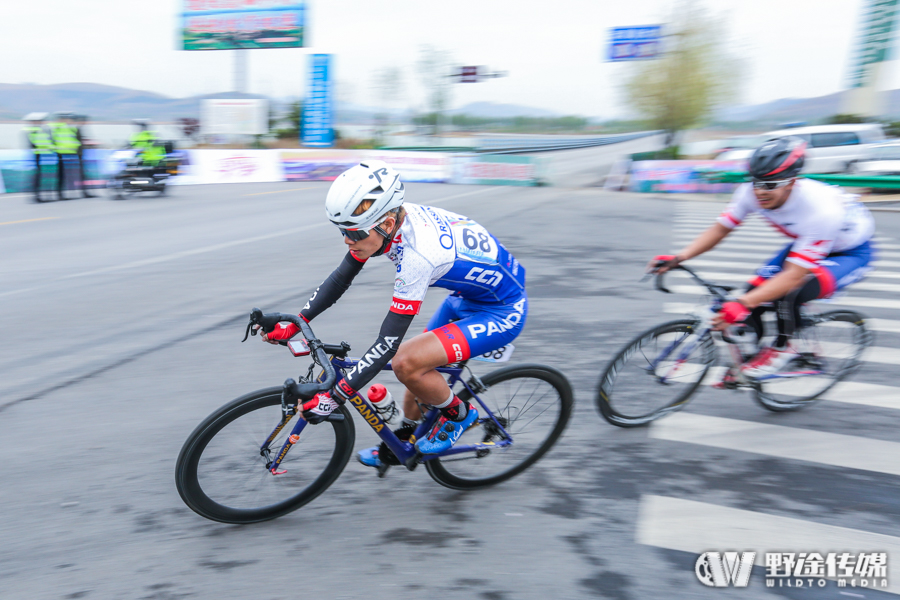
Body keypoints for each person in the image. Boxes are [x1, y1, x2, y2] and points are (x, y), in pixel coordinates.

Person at [259, 161, 528, 467]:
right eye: (342, 231)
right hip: (465, 300)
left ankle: (460, 416)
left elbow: (387, 342)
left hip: (502, 312)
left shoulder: (418, 255)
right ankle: (405, 441)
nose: (347, 241)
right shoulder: (388, 219)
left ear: (386, 224)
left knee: (405, 363)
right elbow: (341, 277)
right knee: (416, 380)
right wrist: (300, 320)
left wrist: (335, 396)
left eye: (353, 233)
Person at [648, 136, 875, 378]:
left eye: (770, 185)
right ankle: (749, 362)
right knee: (751, 293)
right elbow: (721, 229)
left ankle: (784, 347)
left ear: (792, 182)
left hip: (850, 252)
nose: (759, 192)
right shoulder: (750, 192)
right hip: (809, 242)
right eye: (756, 182)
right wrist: (679, 257)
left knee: (789, 294)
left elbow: (793, 276)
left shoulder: (821, 210)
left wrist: (742, 304)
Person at [22, 113, 54, 202]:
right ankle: (36, 195)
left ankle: (38, 195)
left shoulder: (40, 130)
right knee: (36, 176)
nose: (40, 123)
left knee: (39, 176)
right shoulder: (32, 131)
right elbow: (32, 144)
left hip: (40, 155)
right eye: (39, 121)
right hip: (35, 156)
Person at [48, 112, 81, 200]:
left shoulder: (70, 128)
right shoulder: (57, 128)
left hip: (69, 153)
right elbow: (52, 141)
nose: (67, 120)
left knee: (67, 175)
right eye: (65, 118)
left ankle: (64, 193)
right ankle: (59, 194)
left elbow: (73, 140)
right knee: (61, 175)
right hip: (61, 154)